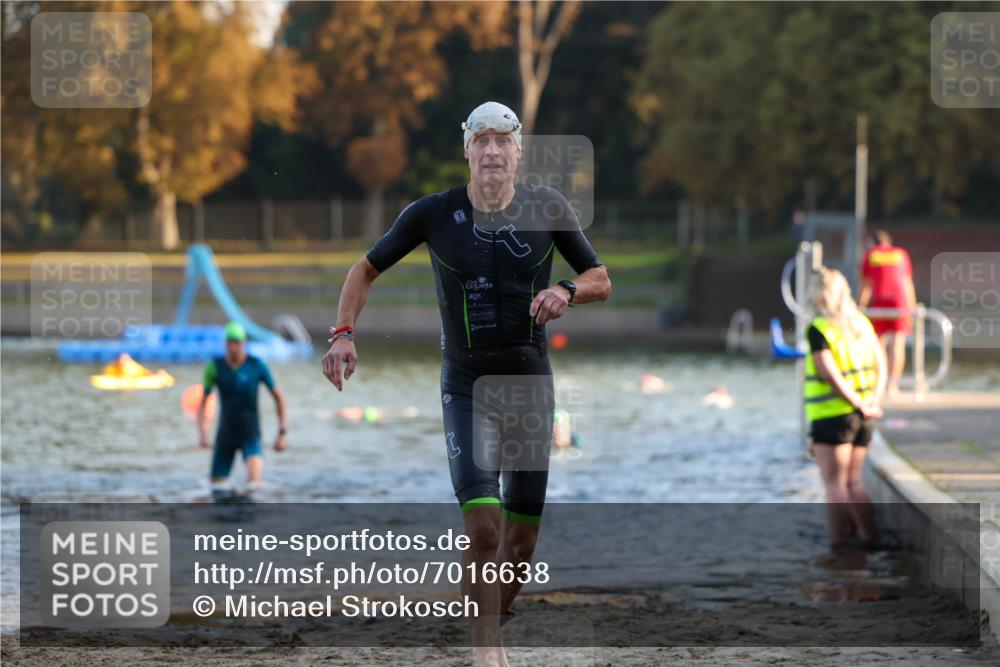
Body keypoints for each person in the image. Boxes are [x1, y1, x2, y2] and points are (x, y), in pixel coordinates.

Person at [321, 101, 611, 666]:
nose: (493, 151)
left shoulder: (547, 207)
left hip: (530, 387)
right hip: (467, 385)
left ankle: (483, 620)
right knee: (484, 528)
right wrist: (342, 334)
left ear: (519, 152)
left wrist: (567, 291)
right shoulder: (432, 214)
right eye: (482, 141)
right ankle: (488, 656)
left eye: (503, 141)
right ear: (468, 151)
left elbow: (601, 278)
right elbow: (364, 270)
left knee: (520, 547)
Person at [805, 267, 887, 549]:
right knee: (854, 483)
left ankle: (838, 544)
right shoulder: (862, 323)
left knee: (834, 484)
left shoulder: (819, 328)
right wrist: (872, 403)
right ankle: (871, 539)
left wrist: (857, 403)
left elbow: (830, 373)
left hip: (833, 416)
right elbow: (881, 364)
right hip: (865, 417)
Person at [198, 322, 287, 499]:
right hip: (225, 435)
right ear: (225, 344)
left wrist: (282, 432)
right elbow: (203, 402)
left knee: (254, 489)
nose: (233, 347)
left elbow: (278, 396)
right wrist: (202, 433)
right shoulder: (214, 367)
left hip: (250, 435)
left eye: (237, 342)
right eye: (229, 343)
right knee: (216, 492)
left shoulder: (257, 365)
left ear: (243, 343)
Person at [858, 230, 915, 396]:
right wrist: (911, 308)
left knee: (878, 344)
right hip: (899, 303)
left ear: (873, 243)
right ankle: (893, 386)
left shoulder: (871, 254)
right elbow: (907, 283)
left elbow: (866, 285)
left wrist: (860, 307)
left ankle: (880, 383)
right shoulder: (900, 254)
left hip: (880, 303)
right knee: (898, 344)